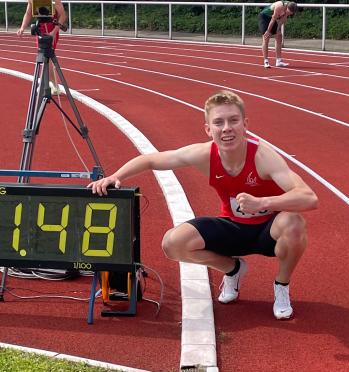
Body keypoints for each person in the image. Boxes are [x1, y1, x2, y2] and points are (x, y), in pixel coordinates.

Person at [88, 91, 318, 320]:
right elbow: (151, 160)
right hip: (233, 228)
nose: (226, 128)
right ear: (208, 129)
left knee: (294, 223)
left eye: (233, 120)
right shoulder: (204, 154)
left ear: (245, 124)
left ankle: (281, 285)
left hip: (269, 231)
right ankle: (233, 269)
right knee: (173, 243)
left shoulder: (264, 157)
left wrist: (263, 202)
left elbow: (309, 197)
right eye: (218, 122)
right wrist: (115, 176)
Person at [17, 0, 68, 96]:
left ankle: (46, 84)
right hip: (40, 30)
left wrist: (53, 32)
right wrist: (22, 27)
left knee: (47, 56)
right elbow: (28, 13)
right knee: (44, 57)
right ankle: (53, 84)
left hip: (51, 30)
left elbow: (62, 15)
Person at [259, 1, 299, 69]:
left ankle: (278, 61)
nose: (289, 14)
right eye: (289, 12)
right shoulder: (279, 6)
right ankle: (266, 61)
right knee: (266, 37)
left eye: (291, 13)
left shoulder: (290, 7)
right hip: (265, 17)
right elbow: (273, 19)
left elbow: (282, 20)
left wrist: (278, 29)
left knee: (279, 36)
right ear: (287, 7)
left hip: (273, 19)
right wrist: (268, 31)